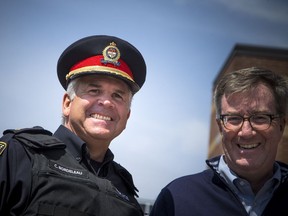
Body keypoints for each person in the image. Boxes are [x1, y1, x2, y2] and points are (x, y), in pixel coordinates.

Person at [0, 35, 146, 216]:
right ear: (67, 104)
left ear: (127, 115)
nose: (107, 102)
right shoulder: (19, 155)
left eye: (118, 96)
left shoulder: (126, 190)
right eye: (94, 90)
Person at [150, 67, 288, 216]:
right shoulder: (176, 198)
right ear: (220, 127)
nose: (246, 132)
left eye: (260, 117)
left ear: (281, 125)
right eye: (234, 118)